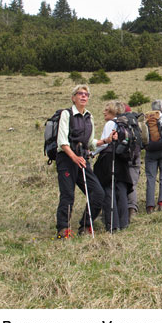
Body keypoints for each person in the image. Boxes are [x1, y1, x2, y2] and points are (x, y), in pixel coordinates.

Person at [55, 85, 111, 238]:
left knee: (98, 192)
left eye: (86, 94)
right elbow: (62, 142)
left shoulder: (89, 116)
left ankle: (86, 225)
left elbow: (90, 142)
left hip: (82, 159)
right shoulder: (66, 114)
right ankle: (63, 229)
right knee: (68, 195)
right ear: (73, 97)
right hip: (66, 159)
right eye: (80, 94)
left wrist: (106, 140)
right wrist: (74, 157)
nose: (84, 96)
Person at [92, 100, 137, 231]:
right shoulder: (125, 123)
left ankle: (112, 224)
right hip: (122, 160)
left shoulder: (111, 123)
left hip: (109, 160)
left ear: (112, 110)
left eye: (106, 109)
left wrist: (90, 153)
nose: (104, 112)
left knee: (109, 190)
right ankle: (124, 223)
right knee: (121, 191)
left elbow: (106, 142)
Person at [144, 100, 162, 213]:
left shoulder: (146, 118)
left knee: (150, 178)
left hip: (150, 151)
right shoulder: (161, 117)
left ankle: (150, 206)